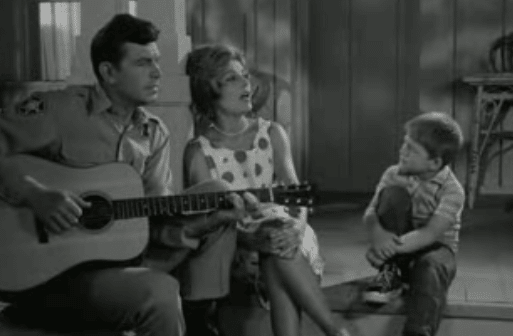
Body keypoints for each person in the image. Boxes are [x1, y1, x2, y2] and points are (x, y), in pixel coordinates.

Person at [0, 14, 254, 336]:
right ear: (108, 72)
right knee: (157, 292)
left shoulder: (154, 133)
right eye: (143, 63)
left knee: (217, 193)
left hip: (120, 261)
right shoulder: (60, 110)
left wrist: (210, 221)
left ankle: (200, 319)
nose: (157, 72)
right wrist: (36, 194)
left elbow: (151, 219)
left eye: (158, 61)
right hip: (50, 273)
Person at [183, 43, 350, 336]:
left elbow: (297, 197)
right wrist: (252, 239)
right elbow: (208, 227)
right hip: (238, 245)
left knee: (278, 241)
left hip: (288, 232)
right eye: (232, 78)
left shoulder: (272, 133)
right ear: (208, 88)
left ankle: (336, 332)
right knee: (274, 247)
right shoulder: (199, 151)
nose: (246, 83)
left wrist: (297, 227)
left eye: (245, 75)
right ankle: (335, 331)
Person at [362, 111, 465, 336]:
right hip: (400, 250)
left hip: (435, 250)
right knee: (392, 195)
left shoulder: (452, 190)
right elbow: (370, 214)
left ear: (434, 162)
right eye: (404, 144)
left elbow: (429, 234)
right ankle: (390, 274)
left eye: (411, 149)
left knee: (431, 266)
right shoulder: (393, 173)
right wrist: (378, 236)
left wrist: (386, 249)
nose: (402, 151)